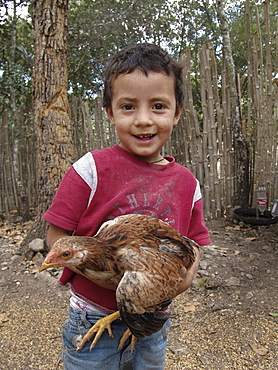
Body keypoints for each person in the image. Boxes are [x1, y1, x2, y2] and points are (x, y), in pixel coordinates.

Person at [43, 43, 211, 370]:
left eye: (159, 106)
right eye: (129, 107)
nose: (143, 120)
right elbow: (57, 235)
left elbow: (193, 242)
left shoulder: (187, 183)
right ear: (110, 112)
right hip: (91, 317)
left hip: (152, 318)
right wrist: (102, 272)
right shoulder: (89, 170)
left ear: (177, 113)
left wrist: (185, 277)